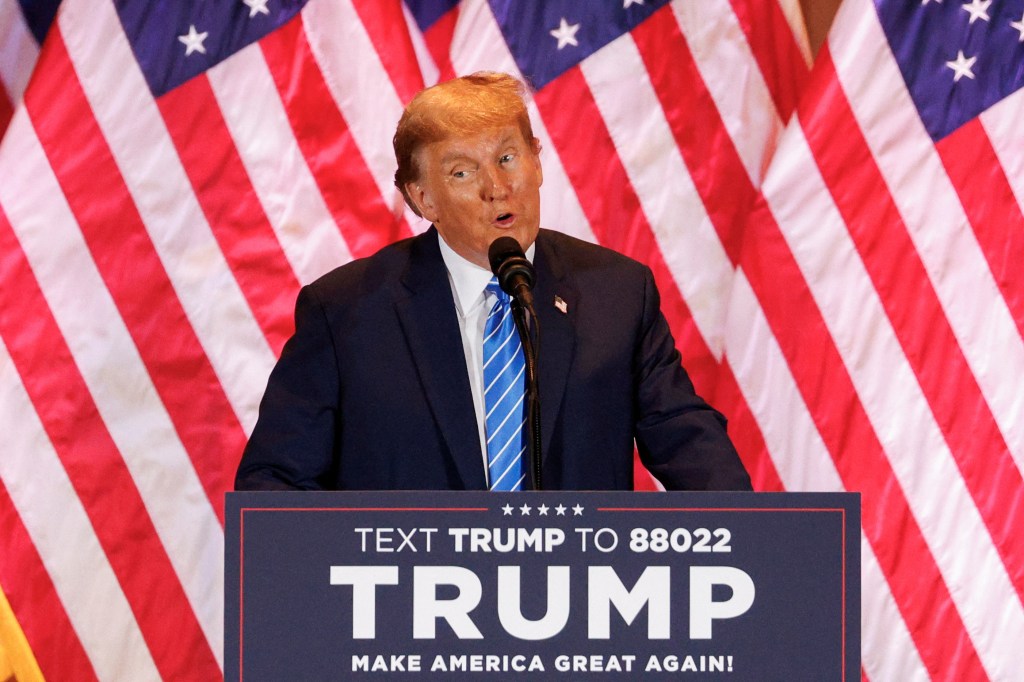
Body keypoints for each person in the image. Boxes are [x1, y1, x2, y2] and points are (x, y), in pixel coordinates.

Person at [235, 72, 751, 492]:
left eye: (508, 158)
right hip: (405, 608)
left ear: (537, 161)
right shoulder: (346, 312)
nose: (497, 188)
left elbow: (689, 443)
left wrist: (757, 546)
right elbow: (276, 480)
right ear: (423, 200)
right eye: (462, 172)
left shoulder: (616, 293)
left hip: (580, 603)